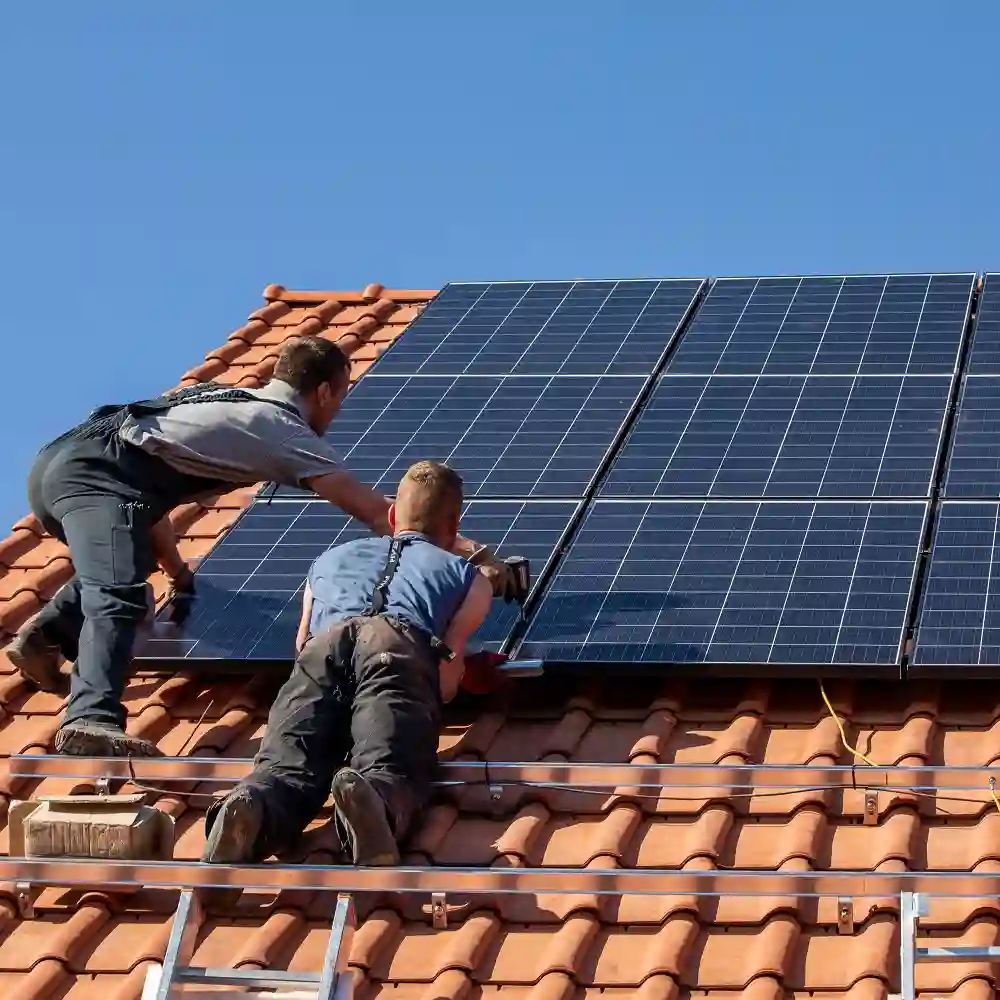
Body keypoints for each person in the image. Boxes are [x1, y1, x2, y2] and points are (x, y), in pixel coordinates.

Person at [8, 337, 526, 759]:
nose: (338, 409)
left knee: (125, 562)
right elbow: (381, 515)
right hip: (94, 477)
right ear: (324, 391)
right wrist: (476, 554)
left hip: (67, 465)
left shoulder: (225, 400)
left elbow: (144, 508)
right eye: (341, 396)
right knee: (118, 592)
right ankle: (89, 719)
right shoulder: (279, 429)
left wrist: (180, 575)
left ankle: (46, 634)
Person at [200, 460, 495, 867]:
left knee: (286, 767)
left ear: (393, 514)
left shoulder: (327, 561)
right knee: (391, 764)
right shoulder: (468, 577)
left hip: (323, 647)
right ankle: (375, 800)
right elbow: (446, 672)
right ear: (455, 522)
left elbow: (302, 642)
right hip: (397, 646)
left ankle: (256, 806)